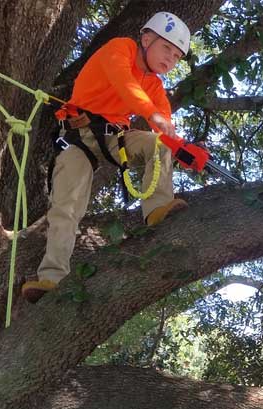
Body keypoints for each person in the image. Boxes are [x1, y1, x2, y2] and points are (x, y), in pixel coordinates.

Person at [22, 11, 193, 303]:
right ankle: (51, 278)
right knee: (66, 206)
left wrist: (186, 151)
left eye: (177, 56)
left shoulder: (154, 85)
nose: (171, 59)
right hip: (79, 137)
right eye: (167, 48)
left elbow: (165, 125)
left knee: (159, 145)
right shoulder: (119, 49)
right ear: (147, 38)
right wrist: (150, 114)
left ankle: (157, 209)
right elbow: (124, 83)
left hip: (116, 138)